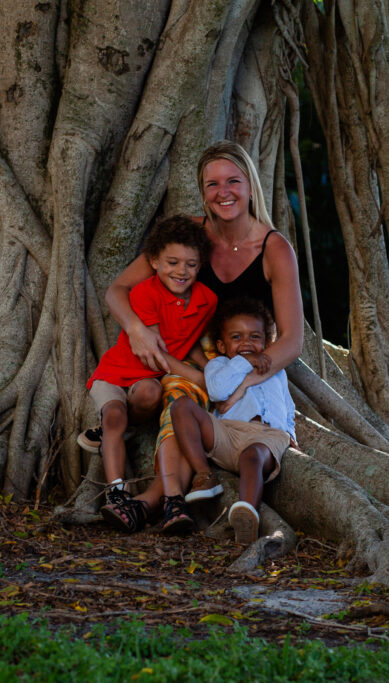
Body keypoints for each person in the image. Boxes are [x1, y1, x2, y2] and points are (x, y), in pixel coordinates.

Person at [99, 140, 304, 532]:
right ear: (202, 191)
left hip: (242, 370)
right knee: (180, 396)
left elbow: (292, 341)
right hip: (186, 363)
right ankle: (163, 501)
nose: (223, 192)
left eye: (233, 181)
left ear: (250, 185)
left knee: (195, 405)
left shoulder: (274, 248)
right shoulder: (189, 238)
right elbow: (117, 291)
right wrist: (137, 330)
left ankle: (149, 503)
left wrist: (244, 382)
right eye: (212, 184)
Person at [83, 215, 217, 532]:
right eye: (172, 262)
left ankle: (113, 433)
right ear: (154, 261)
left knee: (151, 393)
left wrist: (211, 366)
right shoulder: (144, 293)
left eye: (191, 265)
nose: (181, 271)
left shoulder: (207, 301)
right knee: (114, 414)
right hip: (117, 373)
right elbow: (157, 354)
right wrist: (198, 378)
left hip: (146, 383)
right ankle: (116, 491)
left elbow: (186, 340)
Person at [165, 298, 296, 543]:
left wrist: (291, 434)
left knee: (253, 456)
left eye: (254, 337)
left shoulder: (277, 369)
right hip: (227, 432)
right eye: (236, 337)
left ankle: (247, 514)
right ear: (222, 345)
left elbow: (288, 407)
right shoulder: (218, 365)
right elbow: (217, 391)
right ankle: (204, 475)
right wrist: (244, 362)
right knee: (182, 406)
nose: (246, 342)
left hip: (267, 437)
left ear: (266, 343)